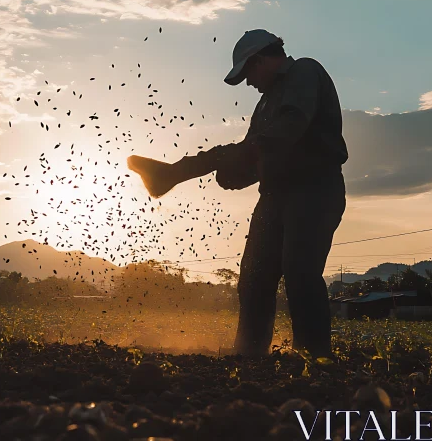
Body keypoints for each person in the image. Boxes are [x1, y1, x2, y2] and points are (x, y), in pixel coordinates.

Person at [127, 29, 348, 358]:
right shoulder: (264, 104)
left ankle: (314, 358)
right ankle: (249, 354)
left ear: (261, 60)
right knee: (254, 277)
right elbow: (255, 158)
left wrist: (247, 154)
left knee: (300, 271)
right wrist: (236, 174)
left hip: (314, 188)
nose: (249, 83)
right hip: (274, 195)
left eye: (248, 73)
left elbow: (292, 124)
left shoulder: (303, 70)